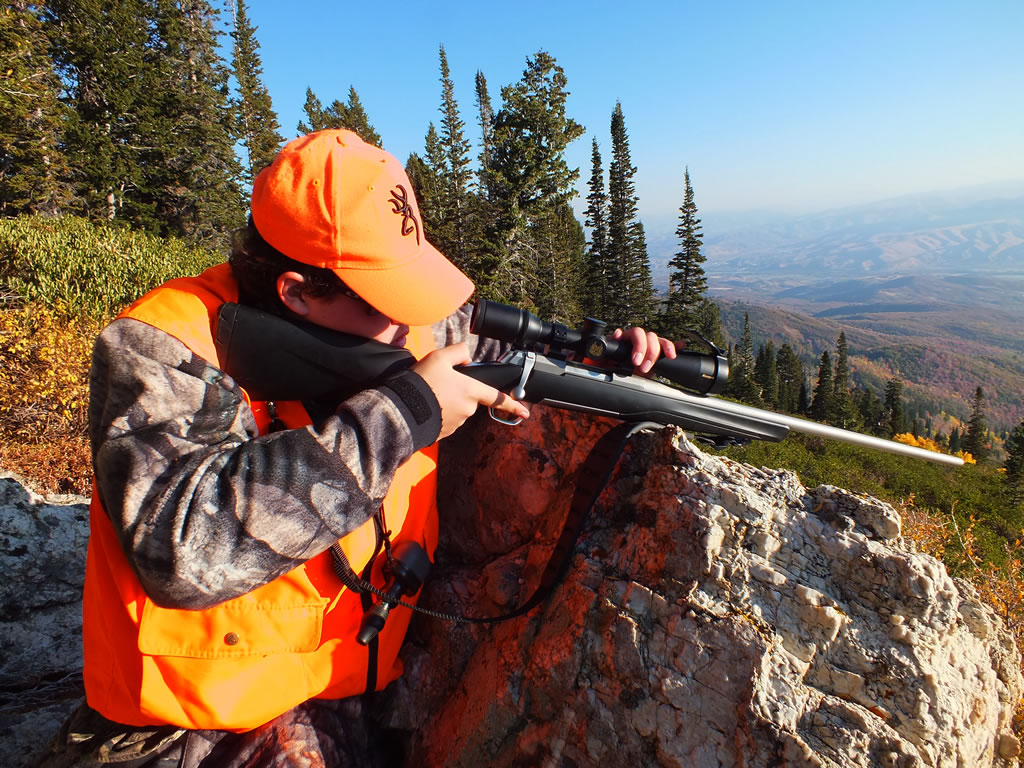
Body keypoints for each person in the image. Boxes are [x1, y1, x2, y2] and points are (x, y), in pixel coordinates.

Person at [38, 129, 677, 767]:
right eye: (387, 300)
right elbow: (181, 549)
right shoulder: (162, 345)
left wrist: (607, 363)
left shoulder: (402, 324)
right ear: (295, 291)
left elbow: (509, 358)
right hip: (180, 727)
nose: (410, 327)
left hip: (343, 693)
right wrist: (403, 415)